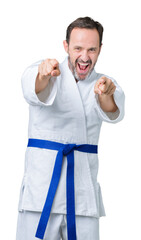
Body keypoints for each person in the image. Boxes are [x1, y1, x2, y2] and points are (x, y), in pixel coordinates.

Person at [16, 17, 125, 240]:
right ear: (66, 46)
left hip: (83, 196)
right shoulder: (45, 71)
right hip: (41, 192)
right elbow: (33, 88)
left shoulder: (105, 84)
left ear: (100, 50)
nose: (85, 57)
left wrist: (106, 94)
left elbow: (113, 109)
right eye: (78, 48)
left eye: (92, 49)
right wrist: (43, 74)